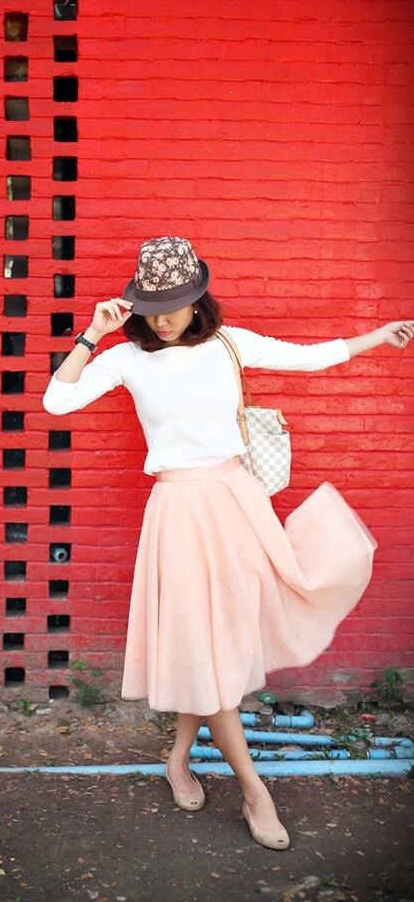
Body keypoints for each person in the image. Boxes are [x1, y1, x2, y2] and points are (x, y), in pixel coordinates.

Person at [42, 235, 413, 850]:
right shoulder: (127, 358)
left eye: (173, 305)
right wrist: (92, 334)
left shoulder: (228, 344)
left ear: (197, 300)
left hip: (237, 504)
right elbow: (57, 401)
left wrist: (377, 336)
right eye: (150, 307)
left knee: (216, 645)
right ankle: (254, 791)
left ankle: (177, 758)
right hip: (180, 512)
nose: (161, 319)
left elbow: (309, 357)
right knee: (205, 644)